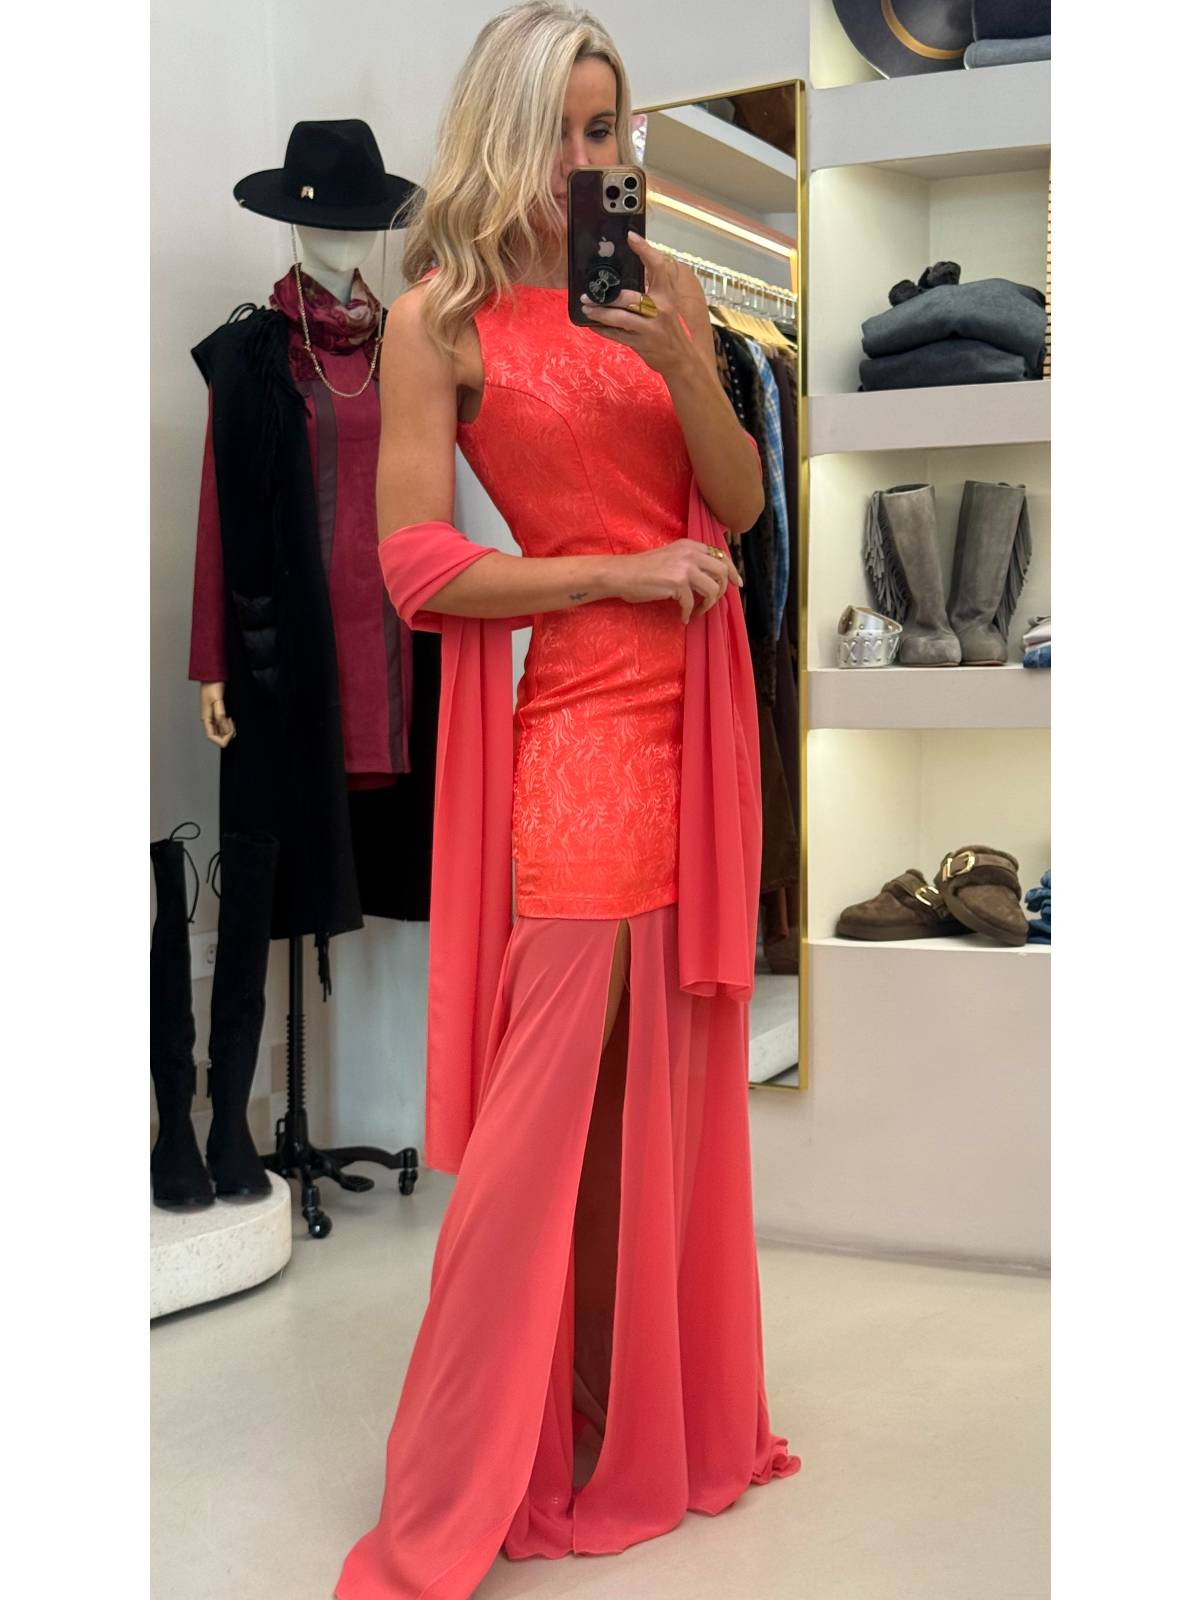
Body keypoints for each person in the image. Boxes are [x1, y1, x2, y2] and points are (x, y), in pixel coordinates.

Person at [334, 6, 800, 1596]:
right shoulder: (439, 320)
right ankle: (462, 1474)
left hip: (697, 725)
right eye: (556, 131)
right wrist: (611, 572)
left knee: (650, 1099)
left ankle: (625, 1420)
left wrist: (682, 361)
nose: (581, 162)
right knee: (541, 1118)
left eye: (605, 131)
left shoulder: (666, 289)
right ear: (500, 131)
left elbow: (739, 505)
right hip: (583, 725)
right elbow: (415, 566)